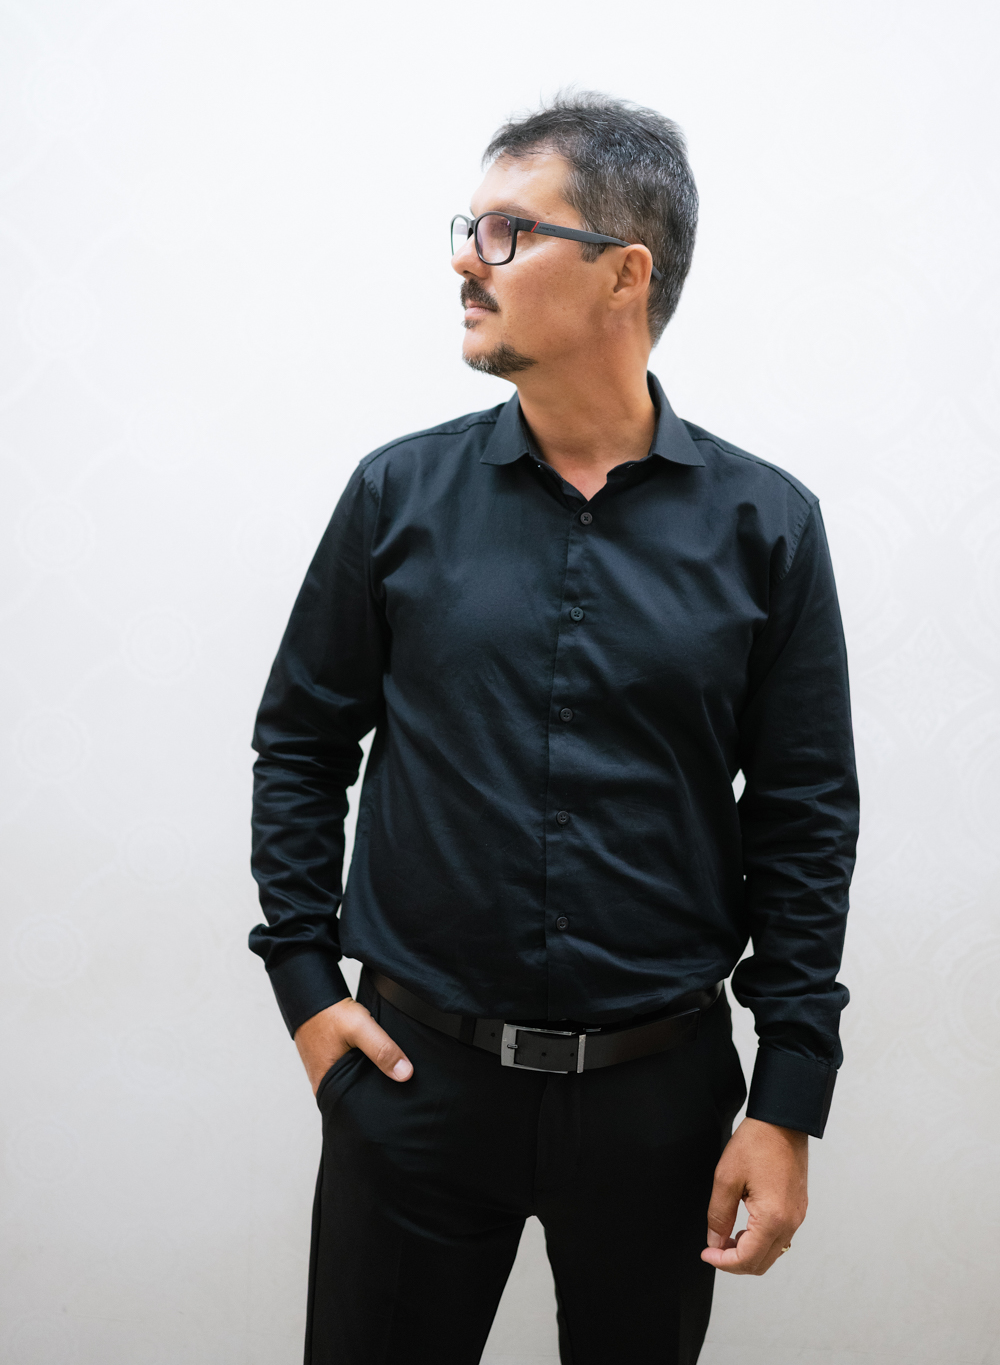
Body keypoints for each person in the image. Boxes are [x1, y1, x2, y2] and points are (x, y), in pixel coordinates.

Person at [250, 93, 859, 1365]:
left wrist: (787, 1098)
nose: (466, 260)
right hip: (413, 1083)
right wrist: (307, 991)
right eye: (468, 226)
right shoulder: (395, 495)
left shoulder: (767, 526)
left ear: (623, 274)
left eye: (509, 231)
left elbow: (803, 819)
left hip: (658, 1102)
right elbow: (302, 743)